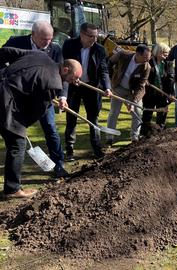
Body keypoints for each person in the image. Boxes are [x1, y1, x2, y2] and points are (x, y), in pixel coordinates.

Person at [0, 47, 82, 199]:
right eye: (73, 78)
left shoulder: (39, 55)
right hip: (6, 104)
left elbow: (5, 51)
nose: (74, 82)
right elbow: (37, 111)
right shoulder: (54, 83)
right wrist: (22, 125)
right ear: (65, 69)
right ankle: (12, 190)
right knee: (18, 145)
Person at [1, 21, 68, 178]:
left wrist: (62, 95)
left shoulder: (56, 48)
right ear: (33, 35)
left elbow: (63, 74)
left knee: (51, 128)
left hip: (44, 97)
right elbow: (2, 55)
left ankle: (58, 164)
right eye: (44, 39)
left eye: (50, 39)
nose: (48, 43)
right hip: (16, 98)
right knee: (13, 133)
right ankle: (14, 166)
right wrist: (4, 75)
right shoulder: (16, 42)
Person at [62, 22, 112, 160]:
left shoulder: (100, 50)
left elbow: (103, 70)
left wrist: (107, 87)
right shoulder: (69, 45)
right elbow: (65, 66)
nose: (94, 39)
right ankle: (70, 149)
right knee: (71, 118)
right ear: (82, 35)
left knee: (93, 119)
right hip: (73, 86)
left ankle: (96, 148)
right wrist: (70, 79)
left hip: (92, 87)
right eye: (91, 36)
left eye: (96, 36)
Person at [107, 44, 151, 143]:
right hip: (118, 88)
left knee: (137, 112)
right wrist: (110, 79)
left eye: (148, 58)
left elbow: (141, 86)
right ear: (137, 54)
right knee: (114, 112)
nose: (147, 60)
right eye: (145, 58)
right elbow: (109, 63)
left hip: (134, 91)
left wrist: (133, 101)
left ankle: (134, 137)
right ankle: (110, 136)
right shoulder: (123, 55)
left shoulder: (146, 67)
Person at [141, 43, 174, 130]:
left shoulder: (168, 63)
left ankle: (160, 135)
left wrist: (171, 93)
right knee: (147, 115)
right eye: (165, 53)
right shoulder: (149, 61)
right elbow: (142, 73)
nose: (167, 55)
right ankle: (145, 134)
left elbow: (171, 79)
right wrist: (145, 80)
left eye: (167, 53)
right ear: (159, 52)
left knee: (162, 116)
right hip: (149, 94)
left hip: (162, 94)